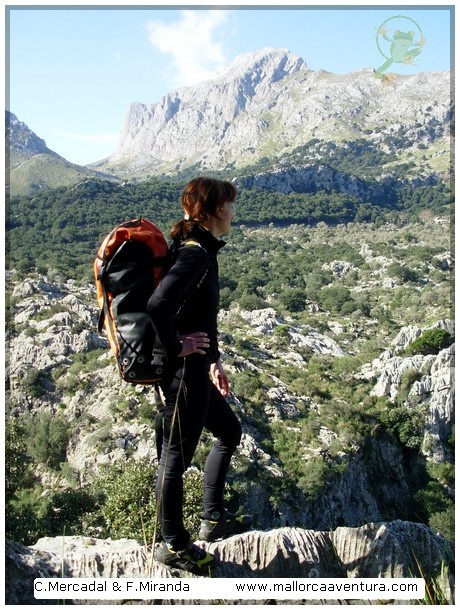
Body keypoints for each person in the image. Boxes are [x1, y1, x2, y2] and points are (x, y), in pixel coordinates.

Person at [147, 177, 252, 574]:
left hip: (196, 368)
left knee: (229, 432)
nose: (232, 211)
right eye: (228, 204)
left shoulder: (200, 250)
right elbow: (159, 305)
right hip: (180, 375)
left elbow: (198, 316)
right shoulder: (194, 254)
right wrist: (177, 347)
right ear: (210, 210)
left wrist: (213, 358)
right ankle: (173, 544)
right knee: (174, 459)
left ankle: (213, 518)